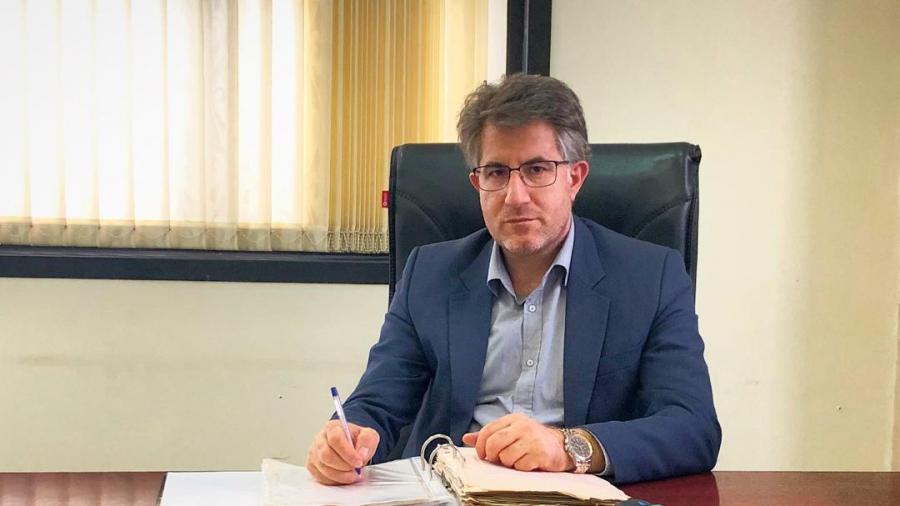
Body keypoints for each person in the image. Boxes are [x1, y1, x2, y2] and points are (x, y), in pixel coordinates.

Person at [306, 73, 720, 485]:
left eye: (537, 169)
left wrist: (567, 447)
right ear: (477, 183)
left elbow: (693, 427)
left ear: (575, 178)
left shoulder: (651, 277)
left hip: (576, 493)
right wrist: (347, 438)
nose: (515, 196)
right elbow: (377, 403)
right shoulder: (429, 273)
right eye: (496, 173)